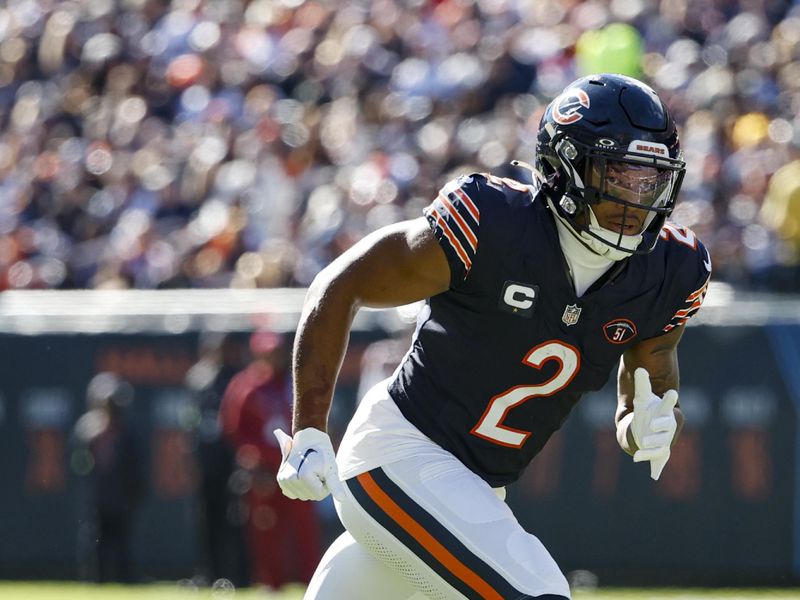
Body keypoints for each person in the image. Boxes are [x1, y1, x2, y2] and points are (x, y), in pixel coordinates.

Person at [274, 74, 712, 600]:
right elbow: (340, 285)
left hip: (475, 489)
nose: (635, 197)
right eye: (619, 173)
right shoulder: (492, 224)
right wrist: (310, 432)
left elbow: (647, 388)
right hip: (398, 453)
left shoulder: (671, 269)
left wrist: (646, 427)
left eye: (650, 178)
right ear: (563, 167)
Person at [221, 329, 322, 589]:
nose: (273, 358)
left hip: (298, 467)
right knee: (267, 531)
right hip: (265, 471)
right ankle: (271, 585)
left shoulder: (294, 382)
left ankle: (314, 585)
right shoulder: (246, 386)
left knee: (304, 530)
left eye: (277, 352)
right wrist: (255, 461)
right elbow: (235, 431)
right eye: (268, 352)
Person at [185, 332, 250, 587]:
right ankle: (208, 574)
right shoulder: (199, 380)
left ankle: (239, 575)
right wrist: (189, 456)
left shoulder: (239, 378)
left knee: (235, 520)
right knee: (206, 520)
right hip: (206, 460)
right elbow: (190, 421)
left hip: (232, 462)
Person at [72, 372, 145, 583]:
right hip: (98, 497)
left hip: (121, 497)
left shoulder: (128, 432)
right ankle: (96, 581)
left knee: (122, 541)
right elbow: (80, 464)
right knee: (95, 541)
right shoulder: (88, 430)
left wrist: (133, 492)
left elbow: (136, 467)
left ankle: (124, 580)